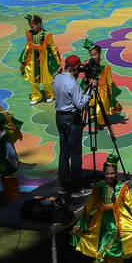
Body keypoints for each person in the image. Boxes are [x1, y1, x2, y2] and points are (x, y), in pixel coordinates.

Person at [54, 52, 90, 194]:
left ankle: (62, 185)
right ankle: (76, 188)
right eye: (78, 69)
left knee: (64, 153)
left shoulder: (57, 78)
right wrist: (89, 93)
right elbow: (80, 106)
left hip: (59, 117)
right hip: (71, 119)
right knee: (75, 154)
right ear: (74, 68)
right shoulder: (73, 84)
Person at [22, 13, 61, 104]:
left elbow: (52, 47)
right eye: (30, 26)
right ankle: (36, 96)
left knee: (46, 77)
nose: (31, 28)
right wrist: (25, 58)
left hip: (44, 59)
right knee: (33, 77)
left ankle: (50, 94)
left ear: (39, 24)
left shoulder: (47, 35)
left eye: (33, 26)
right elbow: (28, 46)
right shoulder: (29, 34)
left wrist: (57, 61)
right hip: (32, 59)